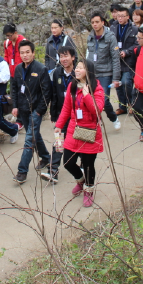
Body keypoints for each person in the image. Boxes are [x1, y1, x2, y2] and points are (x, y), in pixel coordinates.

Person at [54, 59, 105, 208]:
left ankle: (88, 190)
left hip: (89, 132)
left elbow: (97, 110)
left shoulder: (96, 87)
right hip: (73, 130)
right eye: (77, 67)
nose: (76, 70)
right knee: (68, 162)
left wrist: (87, 95)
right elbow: (66, 108)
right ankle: (80, 180)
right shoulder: (72, 85)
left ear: (88, 71)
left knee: (88, 165)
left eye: (80, 68)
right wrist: (59, 125)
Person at [11, 40, 52, 184]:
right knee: (35, 135)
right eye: (22, 53)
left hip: (36, 111)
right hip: (23, 110)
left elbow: (47, 93)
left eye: (28, 52)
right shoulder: (17, 69)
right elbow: (14, 88)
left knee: (29, 140)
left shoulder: (41, 69)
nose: (25, 55)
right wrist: (15, 105)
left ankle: (22, 171)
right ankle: (46, 157)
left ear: (33, 53)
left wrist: (40, 111)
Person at [41, 46, 77, 184]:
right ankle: (53, 170)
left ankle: (79, 167)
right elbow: (54, 95)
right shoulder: (57, 73)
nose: (64, 59)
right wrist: (54, 114)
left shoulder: (78, 73)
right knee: (59, 141)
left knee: (76, 143)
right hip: (62, 114)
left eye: (66, 56)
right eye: (61, 56)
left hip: (77, 116)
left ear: (73, 57)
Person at [86, 11, 121, 130]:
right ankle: (96, 122)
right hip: (92, 73)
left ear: (102, 22)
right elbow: (88, 55)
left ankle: (114, 118)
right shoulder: (90, 37)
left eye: (97, 22)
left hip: (106, 73)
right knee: (91, 100)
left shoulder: (110, 37)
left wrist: (116, 78)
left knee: (104, 100)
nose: (95, 24)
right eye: (92, 23)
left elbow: (116, 58)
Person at [113, 9, 139, 115]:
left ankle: (131, 104)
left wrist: (127, 52)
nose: (120, 18)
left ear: (128, 17)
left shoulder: (134, 29)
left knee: (126, 83)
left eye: (122, 16)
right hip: (116, 61)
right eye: (118, 16)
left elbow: (137, 45)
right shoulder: (113, 28)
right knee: (118, 84)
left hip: (129, 61)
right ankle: (122, 106)